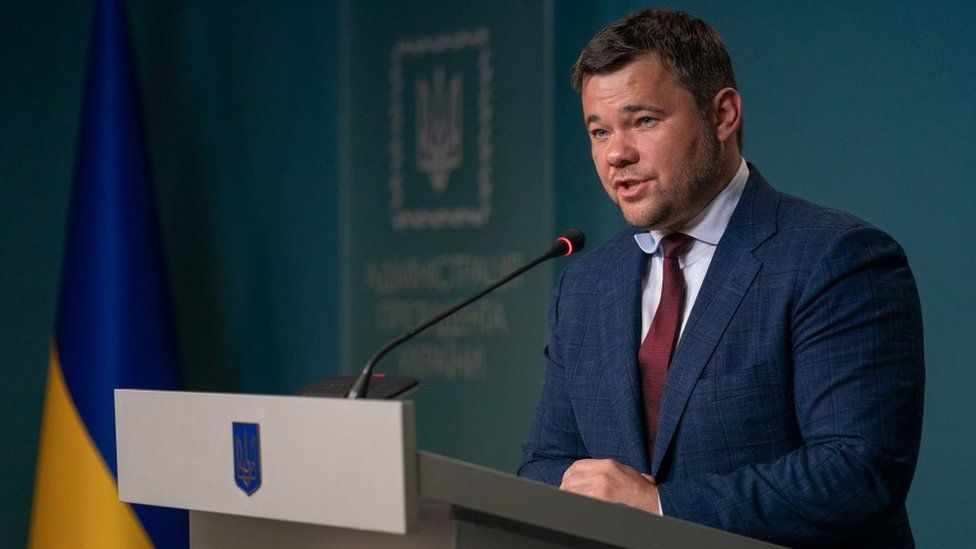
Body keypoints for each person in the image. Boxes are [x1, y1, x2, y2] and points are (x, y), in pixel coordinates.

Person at [518, 8, 924, 548]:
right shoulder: (586, 285)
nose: (616, 154)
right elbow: (544, 465)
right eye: (599, 131)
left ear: (723, 114)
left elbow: (857, 472)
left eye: (644, 121)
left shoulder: (836, 258)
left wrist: (659, 507)